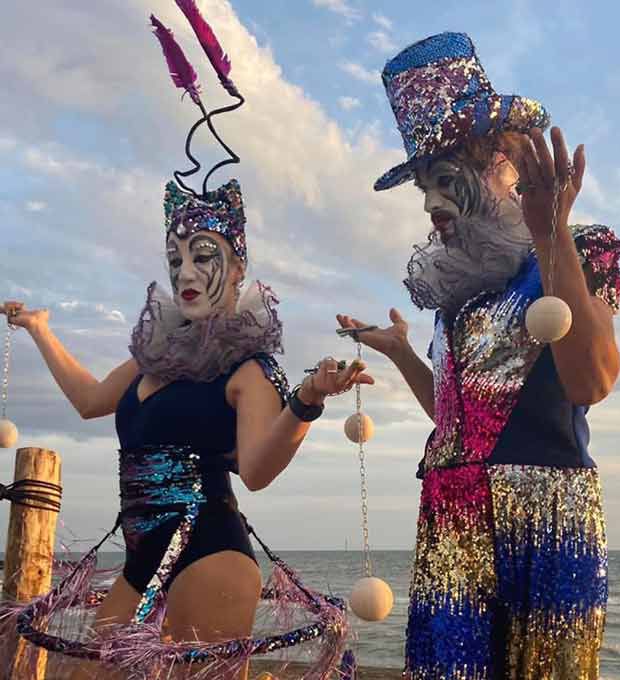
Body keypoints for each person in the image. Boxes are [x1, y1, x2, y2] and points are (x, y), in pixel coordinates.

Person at [0, 5, 371, 679]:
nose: (187, 274)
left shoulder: (247, 367)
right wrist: (41, 330)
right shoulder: (157, 356)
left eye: (204, 256)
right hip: (142, 558)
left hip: (209, 553)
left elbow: (256, 470)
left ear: (236, 267)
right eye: (176, 260)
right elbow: (89, 401)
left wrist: (310, 399)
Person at [338, 32, 620, 680]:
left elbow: (593, 380)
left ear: (504, 164)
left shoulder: (578, 249)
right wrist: (404, 354)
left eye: (446, 181)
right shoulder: (457, 298)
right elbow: (456, 424)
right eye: (424, 189)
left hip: (542, 523)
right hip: (451, 523)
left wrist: (551, 235)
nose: (432, 205)